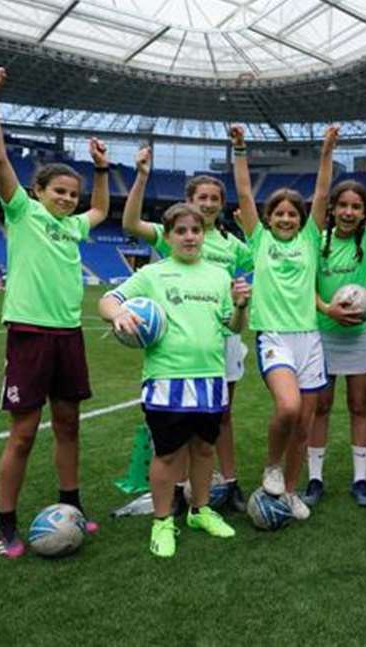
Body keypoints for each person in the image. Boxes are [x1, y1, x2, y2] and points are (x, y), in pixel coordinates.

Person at [0, 66, 109, 558]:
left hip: (68, 334)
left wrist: (101, 170)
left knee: (70, 423)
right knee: (24, 432)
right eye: (60, 192)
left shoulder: (74, 226)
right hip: (30, 333)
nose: (68, 200)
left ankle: (70, 503)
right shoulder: (22, 211)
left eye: (72, 195)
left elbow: (100, 210)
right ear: (39, 191)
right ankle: (5, 521)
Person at [99, 203, 250, 557]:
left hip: (210, 378)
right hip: (167, 380)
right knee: (167, 454)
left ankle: (200, 510)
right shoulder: (152, 274)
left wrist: (241, 306)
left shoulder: (219, 276)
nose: (189, 237)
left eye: (195, 230)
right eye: (181, 231)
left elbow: (233, 327)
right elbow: (107, 300)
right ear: (167, 237)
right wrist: (118, 314)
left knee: (205, 449)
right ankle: (163, 520)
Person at [121, 146, 254, 512]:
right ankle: (178, 491)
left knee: (219, 417)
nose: (208, 204)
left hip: (222, 335)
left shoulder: (232, 244)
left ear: (222, 205)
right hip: (181, 340)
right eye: (202, 198)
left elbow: (259, 260)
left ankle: (230, 483)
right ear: (188, 202)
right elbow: (130, 223)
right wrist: (142, 177)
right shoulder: (175, 233)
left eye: (214, 199)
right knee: (180, 424)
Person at [231, 124, 331, 521]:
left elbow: (322, 193)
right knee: (288, 408)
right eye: (279, 214)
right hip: (274, 337)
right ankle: (272, 466)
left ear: (301, 219)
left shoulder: (310, 239)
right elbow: (244, 193)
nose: (286, 219)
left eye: (292, 214)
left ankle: (289, 492)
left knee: (304, 426)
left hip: (310, 339)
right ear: (268, 218)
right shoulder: (259, 240)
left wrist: (327, 151)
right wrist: (240, 149)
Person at [308, 170, 366, 508]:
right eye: (342, 205)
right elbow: (307, 288)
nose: (348, 212)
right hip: (323, 335)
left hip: (358, 338)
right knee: (321, 407)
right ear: (332, 208)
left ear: (363, 213)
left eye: (356, 207)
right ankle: (315, 479)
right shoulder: (316, 241)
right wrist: (328, 309)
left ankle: (360, 479)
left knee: (358, 406)